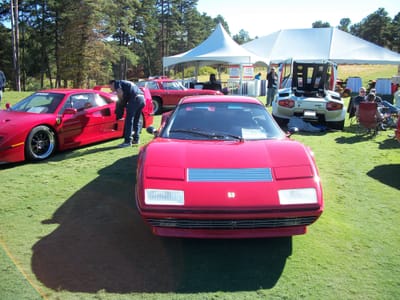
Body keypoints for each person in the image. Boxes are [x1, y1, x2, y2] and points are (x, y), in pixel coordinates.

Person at [109, 79, 145, 147]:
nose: (111, 90)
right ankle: (136, 139)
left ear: (112, 84)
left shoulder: (117, 82)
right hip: (142, 99)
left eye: (110, 87)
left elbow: (120, 93)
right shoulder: (126, 82)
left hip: (135, 99)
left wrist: (120, 104)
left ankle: (127, 141)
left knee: (129, 120)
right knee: (136, 120)